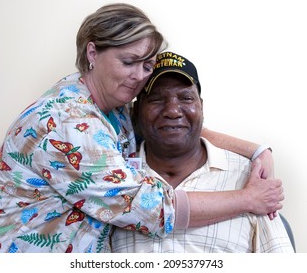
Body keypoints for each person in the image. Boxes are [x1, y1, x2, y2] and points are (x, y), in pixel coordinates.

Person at [0, 3, 283, 253]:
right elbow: (152, 209)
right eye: (129, 62)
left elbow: (170, 123)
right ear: (92, 53)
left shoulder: (108, 105)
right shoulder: (71, 123)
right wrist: (250, 199)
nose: (138, 76)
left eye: (146, 65)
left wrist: (256, 151)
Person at [110, 51, 294, 253]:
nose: (172, 110)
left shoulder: (250, 179)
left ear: (201, 107)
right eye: (156, 99)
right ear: (136, 111)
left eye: (186, 98)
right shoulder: (114, 177)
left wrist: (259, 152)